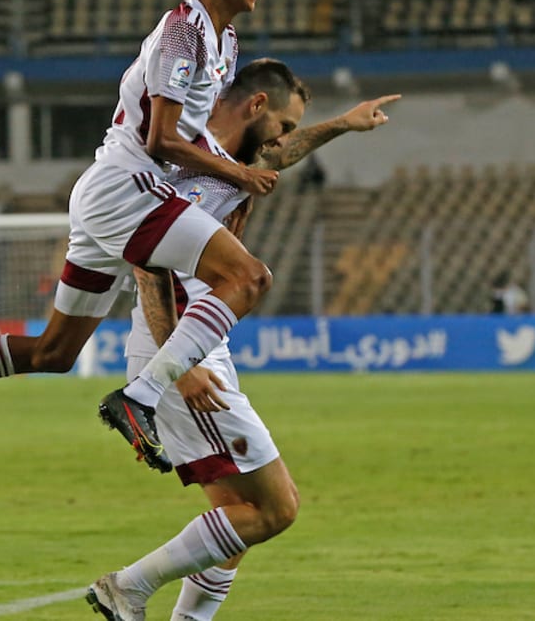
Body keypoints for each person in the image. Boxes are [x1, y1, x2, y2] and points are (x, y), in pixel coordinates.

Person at [0, 0, 373, 472]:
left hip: (118, 195)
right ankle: (141, 397)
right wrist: (241, 178)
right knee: (250, 277)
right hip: (128, 189)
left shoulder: (225, 42)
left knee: (55, 351)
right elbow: (162, 139)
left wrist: (330, 129)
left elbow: (211, 141)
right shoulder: (183, 32)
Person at [86, 68, 399, 621]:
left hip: (196, 345)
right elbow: (147, 272)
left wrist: (343, 126)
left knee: (235, 518)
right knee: (275, 509)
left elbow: (279, 155)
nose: (282, 139)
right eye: (281, 123)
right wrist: (176, 367)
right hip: (181, 348)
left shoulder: (232, 164)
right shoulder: (181, 170)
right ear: (256, 105)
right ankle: (127, 588)